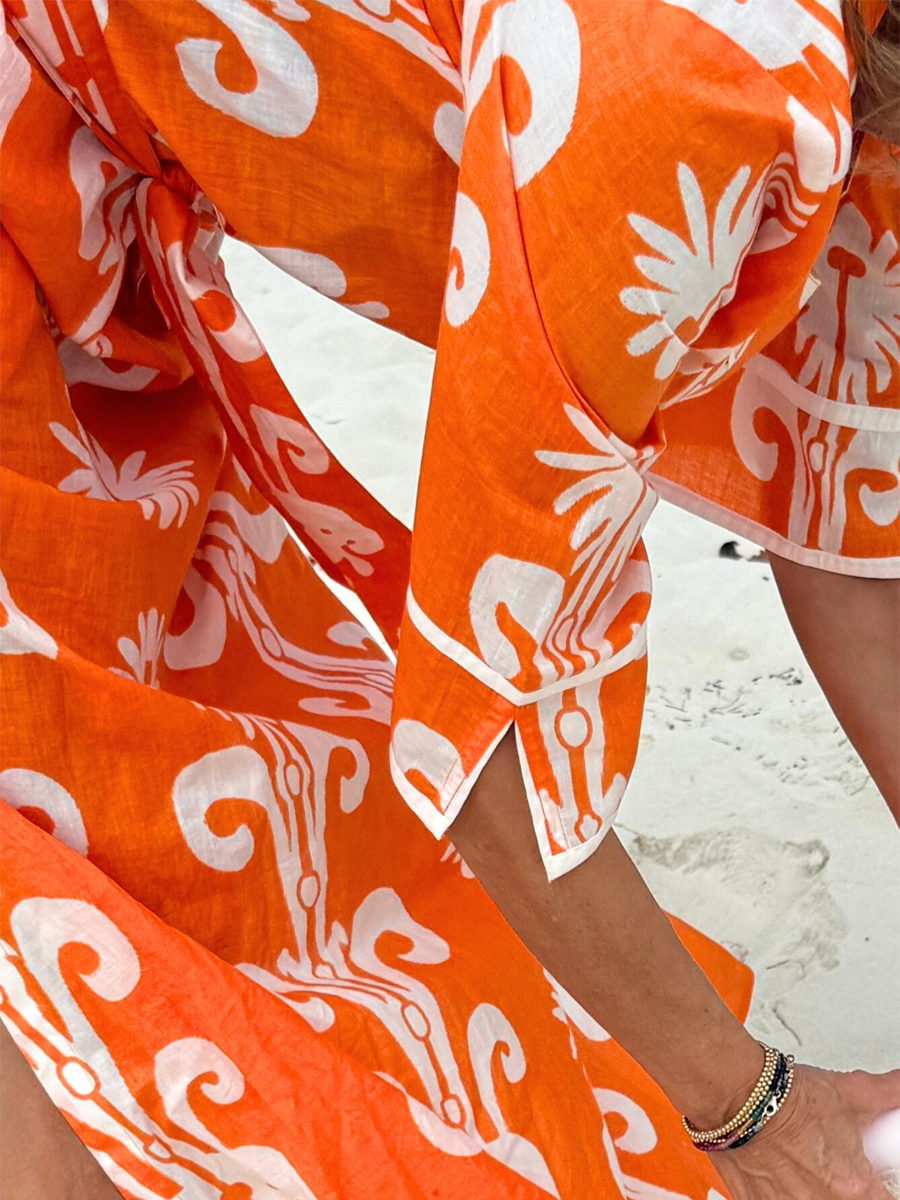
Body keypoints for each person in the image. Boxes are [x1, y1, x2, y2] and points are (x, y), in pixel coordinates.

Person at [0, 1, 898, 1198]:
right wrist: (755, 1119)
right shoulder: (694, 84)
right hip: (37, 126)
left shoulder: (857, 70)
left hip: (93, 170)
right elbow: (478, 725)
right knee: (52, 907)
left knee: (220, 860)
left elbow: (844, 506)